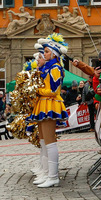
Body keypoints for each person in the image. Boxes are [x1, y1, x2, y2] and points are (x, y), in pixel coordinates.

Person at [29, 34, 70, 188]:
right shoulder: (48, 67)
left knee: (50, 142)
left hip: (50, 104)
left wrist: (37, 90)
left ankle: (53, 176)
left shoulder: (55, 68)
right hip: (44, 104)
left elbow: (53, 90)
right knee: (44, 141)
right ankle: (47, 173)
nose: (44, 54)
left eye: (46, 52)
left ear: (54, 54)